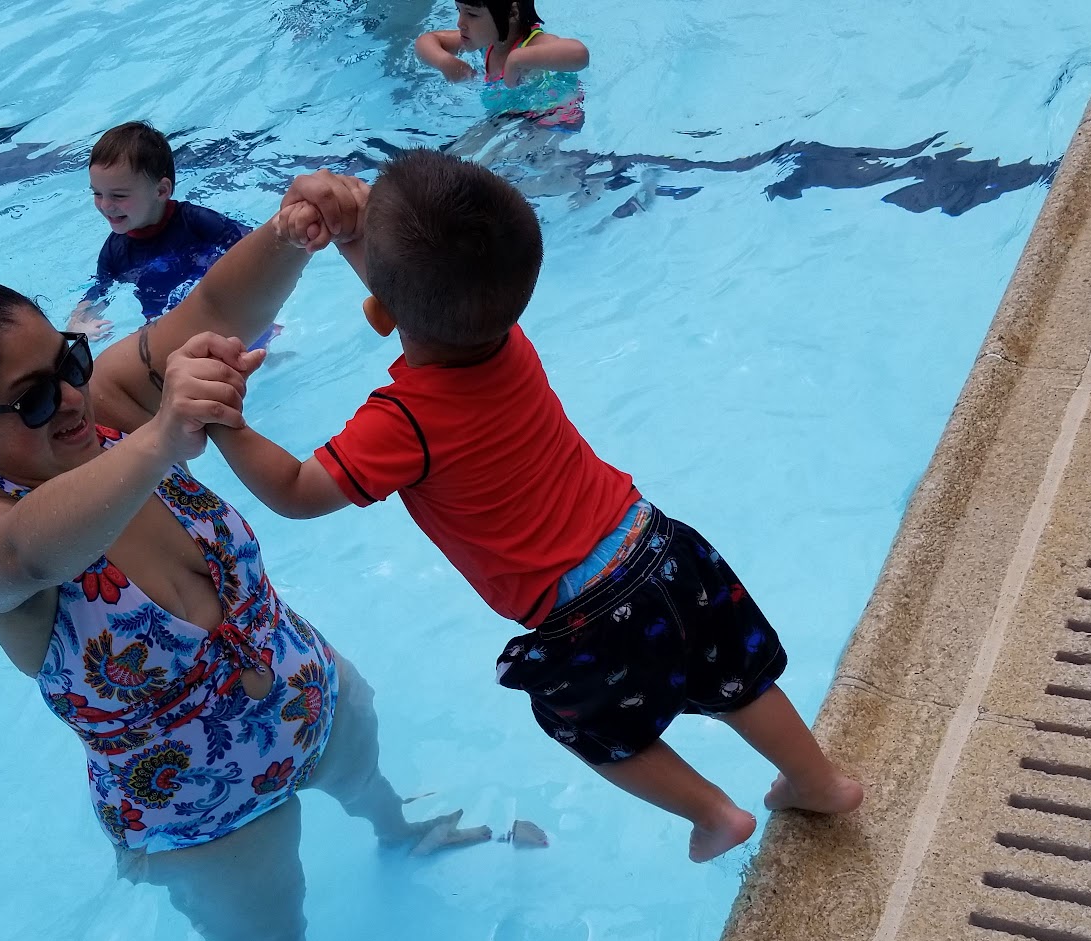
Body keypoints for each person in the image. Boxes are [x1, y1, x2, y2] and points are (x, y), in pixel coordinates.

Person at [0, 172, 483, 941]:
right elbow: (30, 554)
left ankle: (402, 837)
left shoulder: (108, 407)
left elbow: (212, 309)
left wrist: (291, 231)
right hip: (206, 818)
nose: (72, 399)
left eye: (69, 361)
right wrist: (158, 440)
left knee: (374, 794)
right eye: (33, 398)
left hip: (312, 698)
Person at [204, 153, 865, 863]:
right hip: (658, 544)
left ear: (382, 312)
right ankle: (819, 781)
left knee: (586, 723)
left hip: (586, 615)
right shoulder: (505, 338)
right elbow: (420, 296)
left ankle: (714, 815)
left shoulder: (404, 423)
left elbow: (296, 491)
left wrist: (221, 418)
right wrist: (352, 234)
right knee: (735, 678)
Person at [66, 121, 257, 342]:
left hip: (222, 313)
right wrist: (78, 323)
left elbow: (253, 247)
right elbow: (98, 292)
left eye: (118, 195)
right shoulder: (114, 252)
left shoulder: (196, 222)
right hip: (164, 331)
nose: (106, 205)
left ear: (161, 191)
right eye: (97, 193)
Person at [415, 0, 588, 132]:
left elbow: (579, 54)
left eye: (472, 14)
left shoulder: (535, 45)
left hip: (553, 122)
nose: (460, 23)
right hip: (510, 120)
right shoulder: (486, 41)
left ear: (513, 13)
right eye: (458, 10)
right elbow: (426, 40)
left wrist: (517, 59)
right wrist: (446, 62)